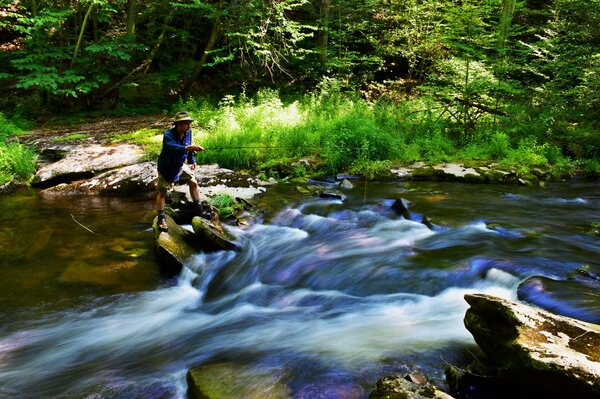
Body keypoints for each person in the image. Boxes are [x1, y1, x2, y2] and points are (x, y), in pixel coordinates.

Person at [155, 111, 205, 232]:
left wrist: (192, 159)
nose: (188, 126)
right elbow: (174, 148)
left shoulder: (189, 133)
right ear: (178, 124)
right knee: (162, 193)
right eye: (186, 124)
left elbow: (189, 149)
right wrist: (190, 147)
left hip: (180, 165)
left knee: (193, 182)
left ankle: (199, 209)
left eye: (189, 124)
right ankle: (161, 218)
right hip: (167, 167)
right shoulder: (168, 135)